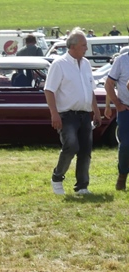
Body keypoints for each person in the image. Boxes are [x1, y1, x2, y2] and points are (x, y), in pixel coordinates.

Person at [44, 29, 102, 195]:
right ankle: (57, 177)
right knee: (71, 146)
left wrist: (96, 111)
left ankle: (82, 186)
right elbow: (49, 90)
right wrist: (54, 114)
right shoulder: (59, 64)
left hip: (85, 115)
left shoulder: (86, 64)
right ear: (73, 46)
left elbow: (90, 90)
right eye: (84, 45)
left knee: (85, 150)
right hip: (67, 115)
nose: (86, 48)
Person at [104, 51, 129, 190]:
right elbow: (109, 84)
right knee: (126, 145)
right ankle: (122, 175)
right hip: (126, 110)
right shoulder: (122, 60)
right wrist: (117, 105)